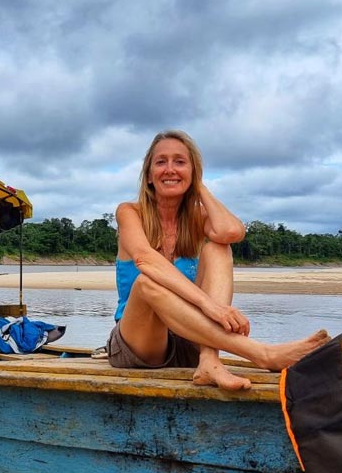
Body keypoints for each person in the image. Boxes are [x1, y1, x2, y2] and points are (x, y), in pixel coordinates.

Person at [107, 130, 329, 391]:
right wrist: (208, 306)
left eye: (180, 162)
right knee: (146, 283)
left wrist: (198, 186)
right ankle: (263, 354)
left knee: (219, 249)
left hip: (191, 339)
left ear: (194, 172)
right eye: (161, 162)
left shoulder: (196, 220)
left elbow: (232, 232)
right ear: (148, 175)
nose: (170, 169)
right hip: (139, 345)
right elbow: (145, 259)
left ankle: (209, 360)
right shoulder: (129, 212)